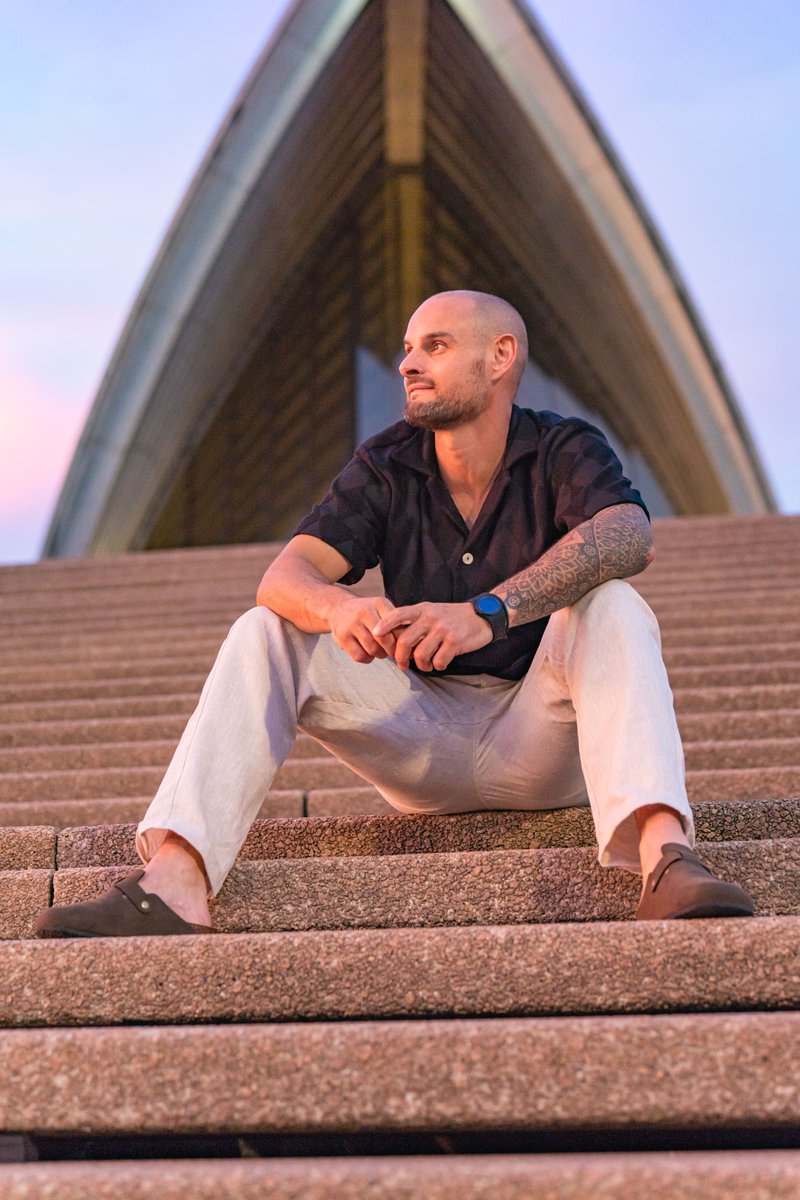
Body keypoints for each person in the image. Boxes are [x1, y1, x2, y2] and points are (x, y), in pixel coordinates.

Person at [36, 290, 755, 937]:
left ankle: (664, 857)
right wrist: (338, 606)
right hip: (422, 742)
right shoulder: (386, 463)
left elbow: (628, 534)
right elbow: (282, 577)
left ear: (500, 356)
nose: (409, 363)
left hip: (543, 740)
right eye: (407, 349)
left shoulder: (563, 448)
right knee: (269, 629)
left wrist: (489, 611)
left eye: (435, 346)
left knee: (613, 603)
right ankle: (176, 881)